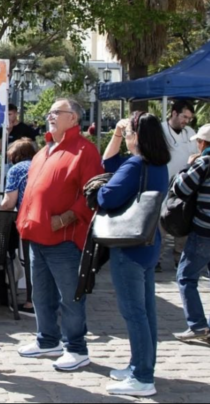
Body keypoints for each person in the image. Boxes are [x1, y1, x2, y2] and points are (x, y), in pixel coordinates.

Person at [16, 98, 103, 372]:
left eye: (58, 112)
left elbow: (95, 191)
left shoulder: (84, 150)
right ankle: (47, 340)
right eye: (50, 111)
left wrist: (65, 218)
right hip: (36, 234)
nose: (50, 115)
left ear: (74, 119)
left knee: (70, 296)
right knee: (41, 294)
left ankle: (76, 348)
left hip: (64, 237)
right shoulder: (45, 149)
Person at [95, 113, 170, 397]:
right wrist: (117, 134)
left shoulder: (136, 165)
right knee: (147, 311)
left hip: (129, 246)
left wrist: (101, 188)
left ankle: (142, 377)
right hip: (149, 242)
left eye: (127, 133)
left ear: (136, 137)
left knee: (134, 313)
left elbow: (106, 197)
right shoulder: (156, 164)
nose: (124, 137)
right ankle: (141, 365)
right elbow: (109, 162)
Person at [173, 123, 210, 343]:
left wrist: (187, 167)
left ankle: (197, 325)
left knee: (186, 276)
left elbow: (181, 189)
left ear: (203, 143)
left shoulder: (204, 162)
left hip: (204, 230)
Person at [0, 138, 38, 317]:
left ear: (15, 155)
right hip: (52, 219)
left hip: (29, 220)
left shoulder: (16, 170)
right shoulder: (43, 164)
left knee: (31, 262)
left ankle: (32, 303)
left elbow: (8, 203)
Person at [161, 100, 198, 270]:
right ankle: (156, 260)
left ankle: (179, 259)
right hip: (163, 186)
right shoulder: (160, 130)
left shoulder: (190, 132)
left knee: (182, 224)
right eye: (184, 116)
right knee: (160, 225)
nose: (186, 121)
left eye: (189, 118)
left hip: (184, 188)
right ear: (174, 113)